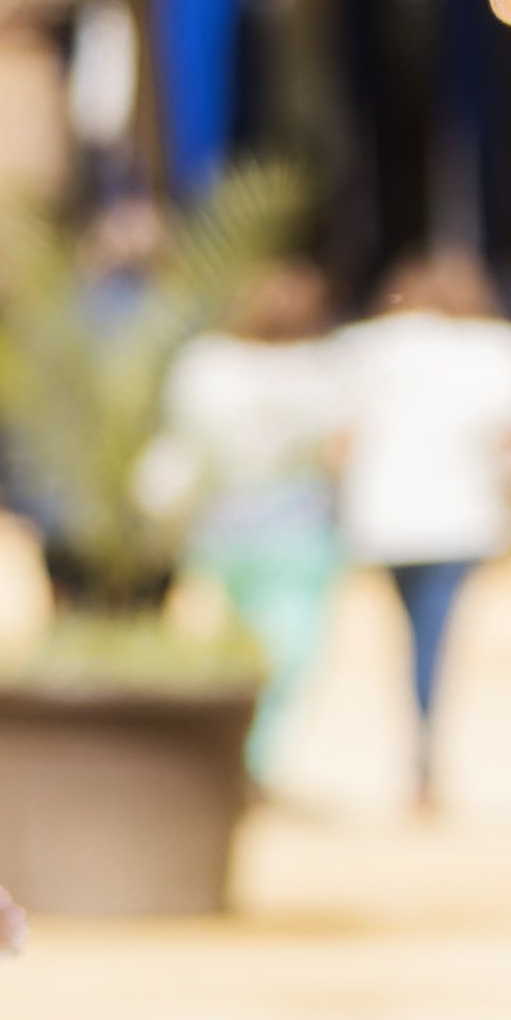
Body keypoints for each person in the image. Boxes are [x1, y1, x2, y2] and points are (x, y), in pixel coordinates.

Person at [332, 252, 511, 814]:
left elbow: (340, 439)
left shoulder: (366, 348)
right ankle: (424, 753)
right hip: (460, 519)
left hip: (384, 519)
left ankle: (419, 747)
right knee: (434, 638)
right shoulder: (500, 350)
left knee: (410, 636)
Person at [157, 262, 350, 785]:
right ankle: (253, 760)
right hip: (295, 530)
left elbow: (186, 442)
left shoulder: (208, 366)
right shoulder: (323, 370)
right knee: (289, 654)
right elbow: (340, 449)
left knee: (237, 649)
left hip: (224, 527)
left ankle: (237, 759)